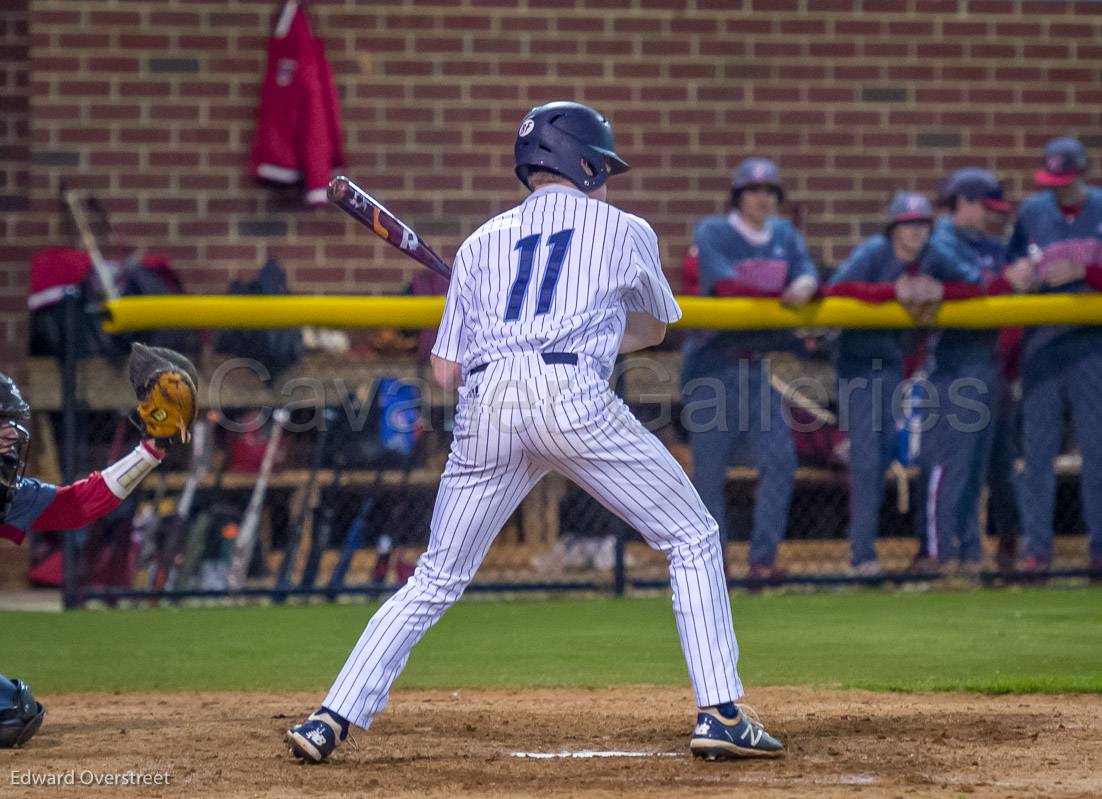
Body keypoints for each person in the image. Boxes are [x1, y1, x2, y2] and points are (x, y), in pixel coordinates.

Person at [286, 101, 784, 764]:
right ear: (579, 162)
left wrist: (486, 315)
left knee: (435, 575)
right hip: (570, 393)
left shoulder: (479, 246)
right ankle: (720, 711)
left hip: (487, 403)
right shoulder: (624, 227)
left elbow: (443, 373)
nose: (606, 180)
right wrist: (589, 323)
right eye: (601, 167)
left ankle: (330, 716)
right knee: (691, 534)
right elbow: (656, 327)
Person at [0, 346, 197, 748]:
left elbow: (77, 505)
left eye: (12, 426)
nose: (13, 437)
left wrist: (150, 449)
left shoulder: (7, 496)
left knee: (13, 710)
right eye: (2, 427)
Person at [683, 157, 818, 589]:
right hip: (711, 364)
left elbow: (809, 273)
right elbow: (726, 287)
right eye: (753, 191)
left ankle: (763, 559)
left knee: (780, 458)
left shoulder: (784, 235)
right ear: (738, 195)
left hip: (757, 365)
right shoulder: (714, 231)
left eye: (770, 192)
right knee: (710, 472)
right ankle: (711, 564)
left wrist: (809, 284)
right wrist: (785, 294)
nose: (762, 198)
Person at [1007, 137, 1102, 577]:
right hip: (1042, 343)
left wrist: (1085, 271)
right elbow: (1011, 269)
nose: (1058, 189)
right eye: (1052, 181)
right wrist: (1018, 275)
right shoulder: (1032, 212)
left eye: (1066, 180)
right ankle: (1036, 552)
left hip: (1093, 345)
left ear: (1082, 173)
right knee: (1037, 454)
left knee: (1098, 453)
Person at [918, 168, 1034, 575]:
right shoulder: (940, 242)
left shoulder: (990, 243)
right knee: (955, 466)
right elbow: (976, 284)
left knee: (985, 469)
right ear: (963, 202)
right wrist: (1006, 279)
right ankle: (942, 554)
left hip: (992, 366)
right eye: (985, 208)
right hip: (954, 367)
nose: (991, 216)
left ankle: (970, 553)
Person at [824, 192, 938, 575]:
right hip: (858, 368)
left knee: (896, 454)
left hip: (893, 368)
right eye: (908, 224)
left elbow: (966, 282)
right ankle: (862, 556)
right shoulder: (875, 250)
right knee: (867, 461)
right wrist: (892, 293)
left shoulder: (929, 259)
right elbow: (836, 290)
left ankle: (910, 552)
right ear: (893, 227)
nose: (915, 233)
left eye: (921, 224)